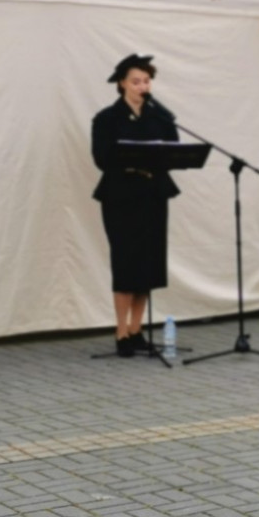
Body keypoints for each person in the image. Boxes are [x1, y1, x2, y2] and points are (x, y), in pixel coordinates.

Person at [92, 54, 180, 357]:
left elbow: (174, 149)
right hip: (121, 196)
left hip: (153, 194)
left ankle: (137, 328)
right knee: (126, 260)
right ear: (122, 84)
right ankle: (120, 331)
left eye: (146, 81)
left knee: (149, 261)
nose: (142, 86)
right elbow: (101, 158)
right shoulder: (106, 118)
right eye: (135, 81)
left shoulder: (159, 116)